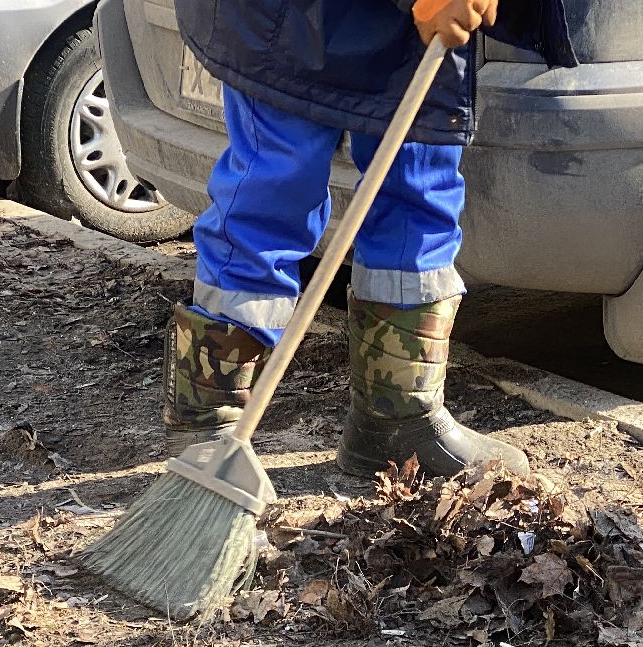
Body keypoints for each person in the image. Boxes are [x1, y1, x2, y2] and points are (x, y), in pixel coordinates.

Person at [165, 0, 574, 477]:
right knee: (273, 190)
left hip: (411, 27)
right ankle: (207, 429)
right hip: (292, 18)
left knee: (417, 187)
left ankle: (398, 421)